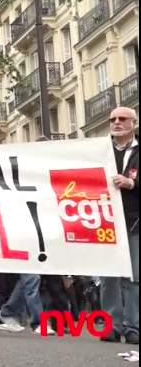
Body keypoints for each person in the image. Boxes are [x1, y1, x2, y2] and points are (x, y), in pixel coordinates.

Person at [100, 106, 139, 345]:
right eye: (113, 119)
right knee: (109, 277)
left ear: (133, 123)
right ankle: (111, 326)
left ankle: (133, 326)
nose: (116, 122)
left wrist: (131, 183)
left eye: (122, 119)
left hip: (134, 220)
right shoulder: (99, 151)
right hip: (105, 221)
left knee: (134, 276)